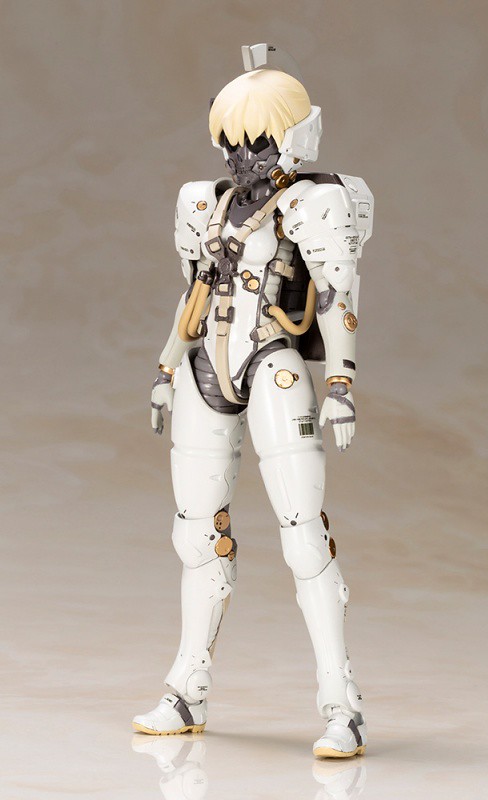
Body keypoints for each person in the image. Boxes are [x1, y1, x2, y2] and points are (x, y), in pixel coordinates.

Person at [133, 45, 374, 759]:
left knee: (303, 534)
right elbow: (194, 294)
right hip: (205, 365)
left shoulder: (311, 201)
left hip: (271, 361)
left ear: (295, 137)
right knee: (196, 535)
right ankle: (186, 688)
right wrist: (165, 366)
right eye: (234, 144)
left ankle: (342, 705)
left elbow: (335, 297)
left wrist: (342, 385)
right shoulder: (203, 203)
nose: (244, 159)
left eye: (259, 144)